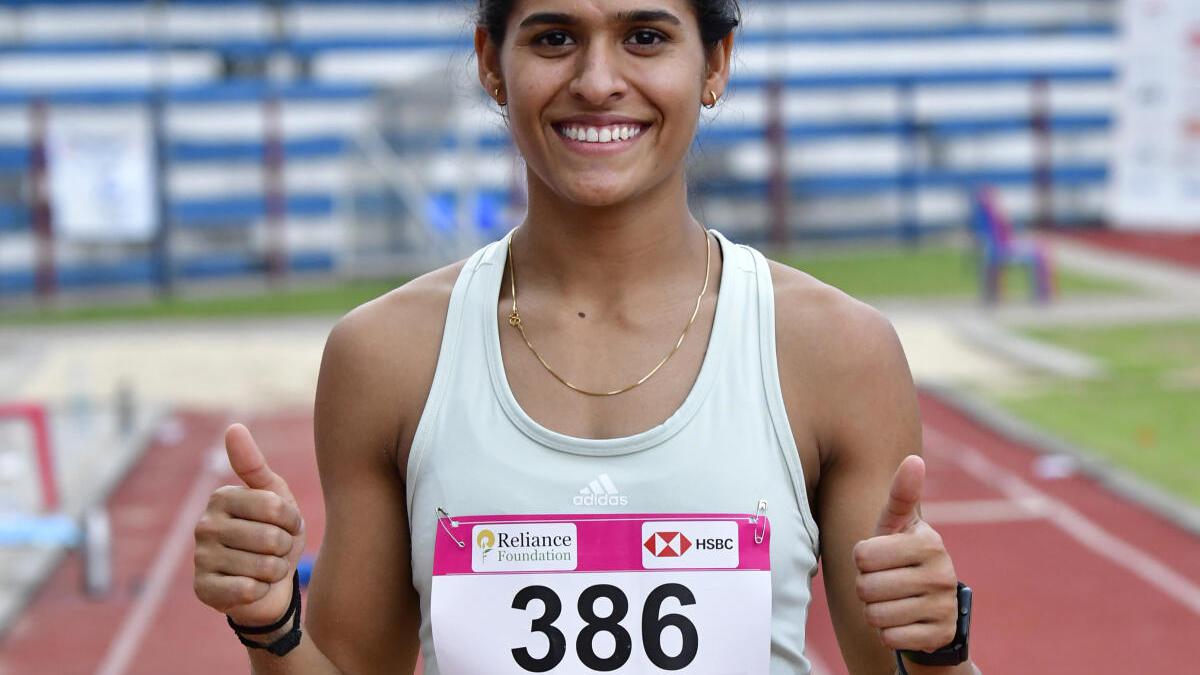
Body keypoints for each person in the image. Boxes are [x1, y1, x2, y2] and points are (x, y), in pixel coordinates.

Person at [193, 1, 980, 674]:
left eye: (645, 36)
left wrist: (941, 650)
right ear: (490, 65)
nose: (598, 81)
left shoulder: (836, 353)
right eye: (554, 37)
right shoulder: (387, 356)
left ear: (716, 63)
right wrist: (271, 625)